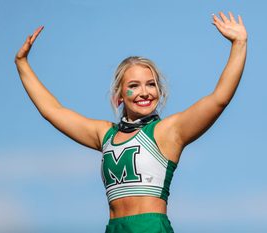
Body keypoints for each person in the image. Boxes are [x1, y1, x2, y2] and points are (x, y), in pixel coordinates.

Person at [15, 11, 247, 233]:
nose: (144, 92)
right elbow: (52, 110)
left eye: (151, 84)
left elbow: (219, 99)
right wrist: (22, 63)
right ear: (119, 95)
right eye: (134, 86)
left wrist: (239, 44)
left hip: (151, 228)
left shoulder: (168, 132)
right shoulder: (104, 134)